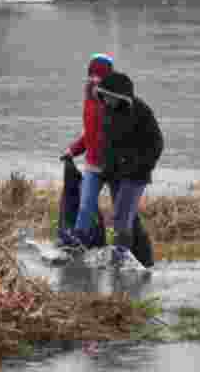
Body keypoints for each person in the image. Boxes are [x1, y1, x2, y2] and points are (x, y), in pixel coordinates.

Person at [95, 71, 163, 266]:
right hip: (115, 175)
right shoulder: (108, 110)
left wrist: (138, 165)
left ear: (119, 95)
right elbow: (108, 143)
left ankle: (120, 260)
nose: (105, 100)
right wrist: (105, 170)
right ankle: (144, 260)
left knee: (121, 217)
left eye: (108, 96)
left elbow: (157, 144)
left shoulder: (141, 111)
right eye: (103, 96)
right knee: (129, 218)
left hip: (136, 175)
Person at [58, 53, 115, 253]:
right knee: (85, 207)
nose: (94, 79)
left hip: (116, 166)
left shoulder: (116, 101)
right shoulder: (88, 100)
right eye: (91, 74)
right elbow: (89, 135)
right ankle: (79, 247)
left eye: (99, 75)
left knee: (124, 214)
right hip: (93, 165)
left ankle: (124, 250)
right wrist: (72, 150)